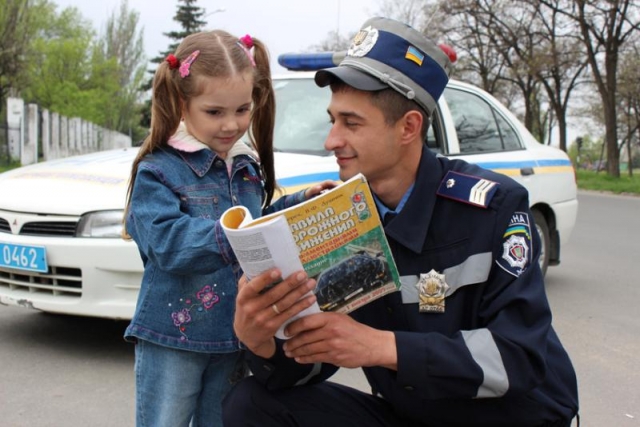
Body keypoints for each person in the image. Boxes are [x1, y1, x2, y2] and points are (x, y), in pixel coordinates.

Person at [222, 17, 579, 427]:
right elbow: (313, 363)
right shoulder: (341, 217)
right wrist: (261, 340)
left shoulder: (493, 209)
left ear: (409, 127)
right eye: (332, 120)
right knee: (252, 403)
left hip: (512, 418)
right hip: (416, 412)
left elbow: (519, 357)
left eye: (351, 123)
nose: (331, 140)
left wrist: (381, 346)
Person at [122, 30, 334, 427]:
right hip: (173, 337)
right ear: (181, 104)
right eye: (215, 111)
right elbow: (165, 243)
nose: (231, 124)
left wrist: (301, 202)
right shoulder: (158, 170)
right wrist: (234, 237)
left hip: (235, 337)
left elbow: (258, 222)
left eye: (242, 109)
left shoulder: (245, 166)